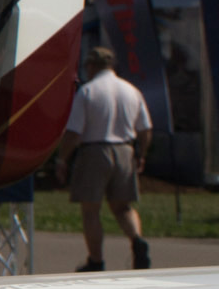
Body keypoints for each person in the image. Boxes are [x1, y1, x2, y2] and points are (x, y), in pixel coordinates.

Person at [52, 46, 154, 270]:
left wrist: (62, 159)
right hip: (125, 150)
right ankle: (137, 240)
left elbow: (74, 132)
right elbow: (146, 128)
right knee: (123, 207)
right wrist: (141, 154)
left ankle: (96, 260)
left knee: (91, 210)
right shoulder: (131, 90)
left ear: (91, 66)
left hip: (95, 151)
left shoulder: (88, 91)